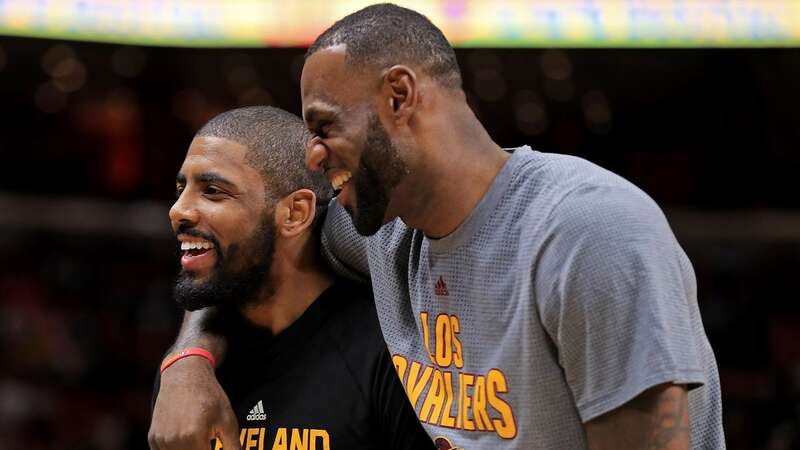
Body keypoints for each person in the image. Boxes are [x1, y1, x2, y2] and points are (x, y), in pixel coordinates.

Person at [151, 4, 725, 449]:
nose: (314, 156)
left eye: (324, 126)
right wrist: (187, 366)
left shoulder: (586, 231)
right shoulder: (382, 232)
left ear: (399, 95)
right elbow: (239, 253)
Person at [148, 106, 435, 450]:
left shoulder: (389, 354)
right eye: (182, 188)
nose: (178, 210)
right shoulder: (190, 377)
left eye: (212, 190)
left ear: (295, 213)